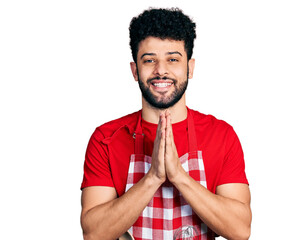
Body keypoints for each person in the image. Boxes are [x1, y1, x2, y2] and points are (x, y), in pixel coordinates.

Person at [80, 7, 252, 240]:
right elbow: (94, 234)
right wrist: (153, 177)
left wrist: (179, 176)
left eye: (173, 59)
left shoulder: (221, 135)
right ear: (134, 71)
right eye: (149, 60)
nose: (161, 70)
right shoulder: (106, 138)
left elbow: (240, 231)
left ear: (190, 68)